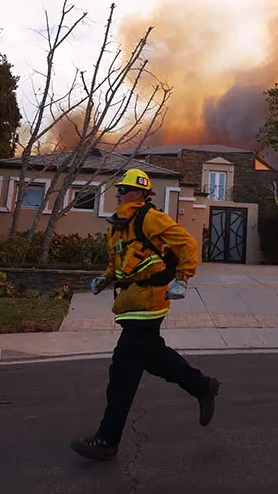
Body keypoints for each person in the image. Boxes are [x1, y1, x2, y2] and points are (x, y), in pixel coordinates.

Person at [70, 168, 220, 462]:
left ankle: (107, 440)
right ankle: (203, 386)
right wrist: (105, 278)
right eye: (119, 190)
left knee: (123, 370)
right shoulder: (117, 226)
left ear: (139, 194)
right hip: (129, 302)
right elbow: (119, 260)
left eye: (124, 190)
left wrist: (182, 277)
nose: (119, 194)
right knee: (154, 357)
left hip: (150, 302)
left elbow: (187, 244)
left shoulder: (151, 218)